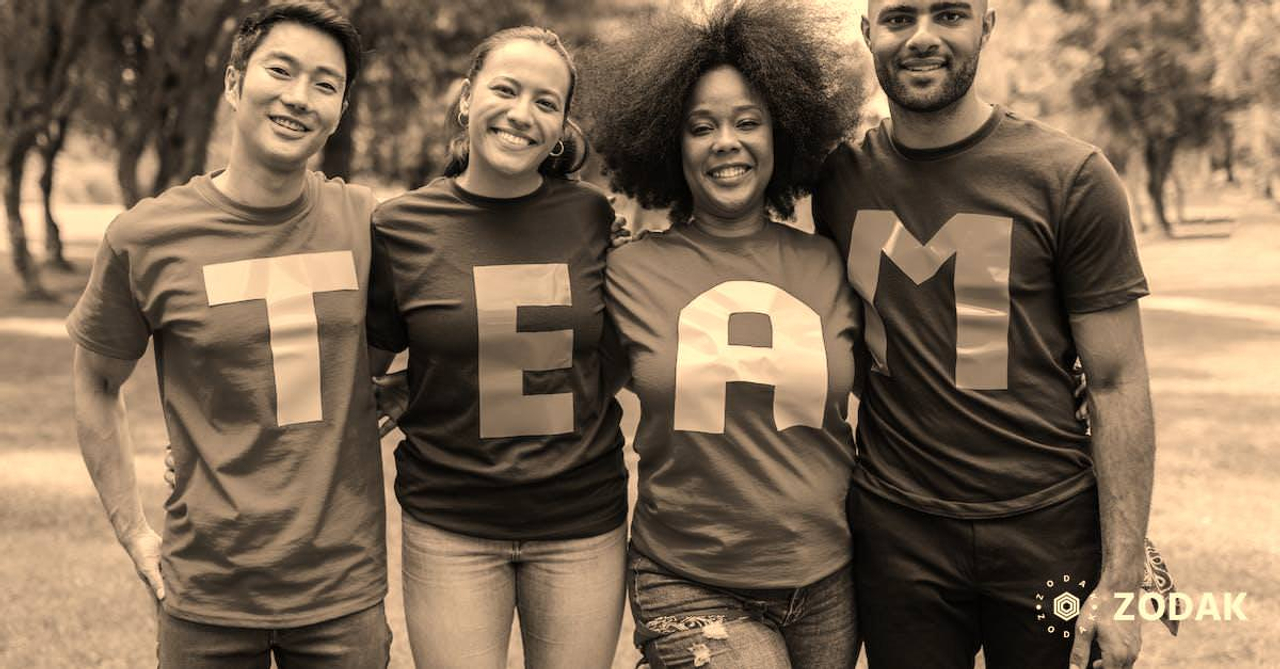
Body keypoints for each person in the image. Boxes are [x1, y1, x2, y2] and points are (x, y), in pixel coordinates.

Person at [811, 2, 1156, 668]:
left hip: (1049, 529)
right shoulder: (835, 178)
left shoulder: (1072, 176)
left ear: (987, 27)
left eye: (949, 15)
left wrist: (1122, 580)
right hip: (898, 530)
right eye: (899, 18)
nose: (922, 38)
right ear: (867, 32)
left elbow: (1118, 380)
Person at [67, 2, 392, 667]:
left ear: (340, 107)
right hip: (206, 593)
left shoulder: (368, 224)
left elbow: (455, 325)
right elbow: (97, 381)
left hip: (343, 594)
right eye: (282, 70)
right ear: (235, 80)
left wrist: (410, 390)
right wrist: (134, 532)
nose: (300, 98)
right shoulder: (145, 238)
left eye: (325, 84)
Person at [581, 2, 869, 667]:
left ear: (782, 134)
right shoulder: (626, 271)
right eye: (700, 126)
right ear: (667, 143)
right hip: (688, 576)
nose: (726, 142)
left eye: (749, 122)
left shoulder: (829, 262)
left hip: (828, 577)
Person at [364, 26, 629, 669]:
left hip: (582, 524)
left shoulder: (593, 218)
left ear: (563, 125)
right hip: (450, 524)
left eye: (546, 102)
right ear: (465, 98)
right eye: (505, 90)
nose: (522, 114)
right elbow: (357, 374)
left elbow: (614, 354)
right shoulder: (399, 228)